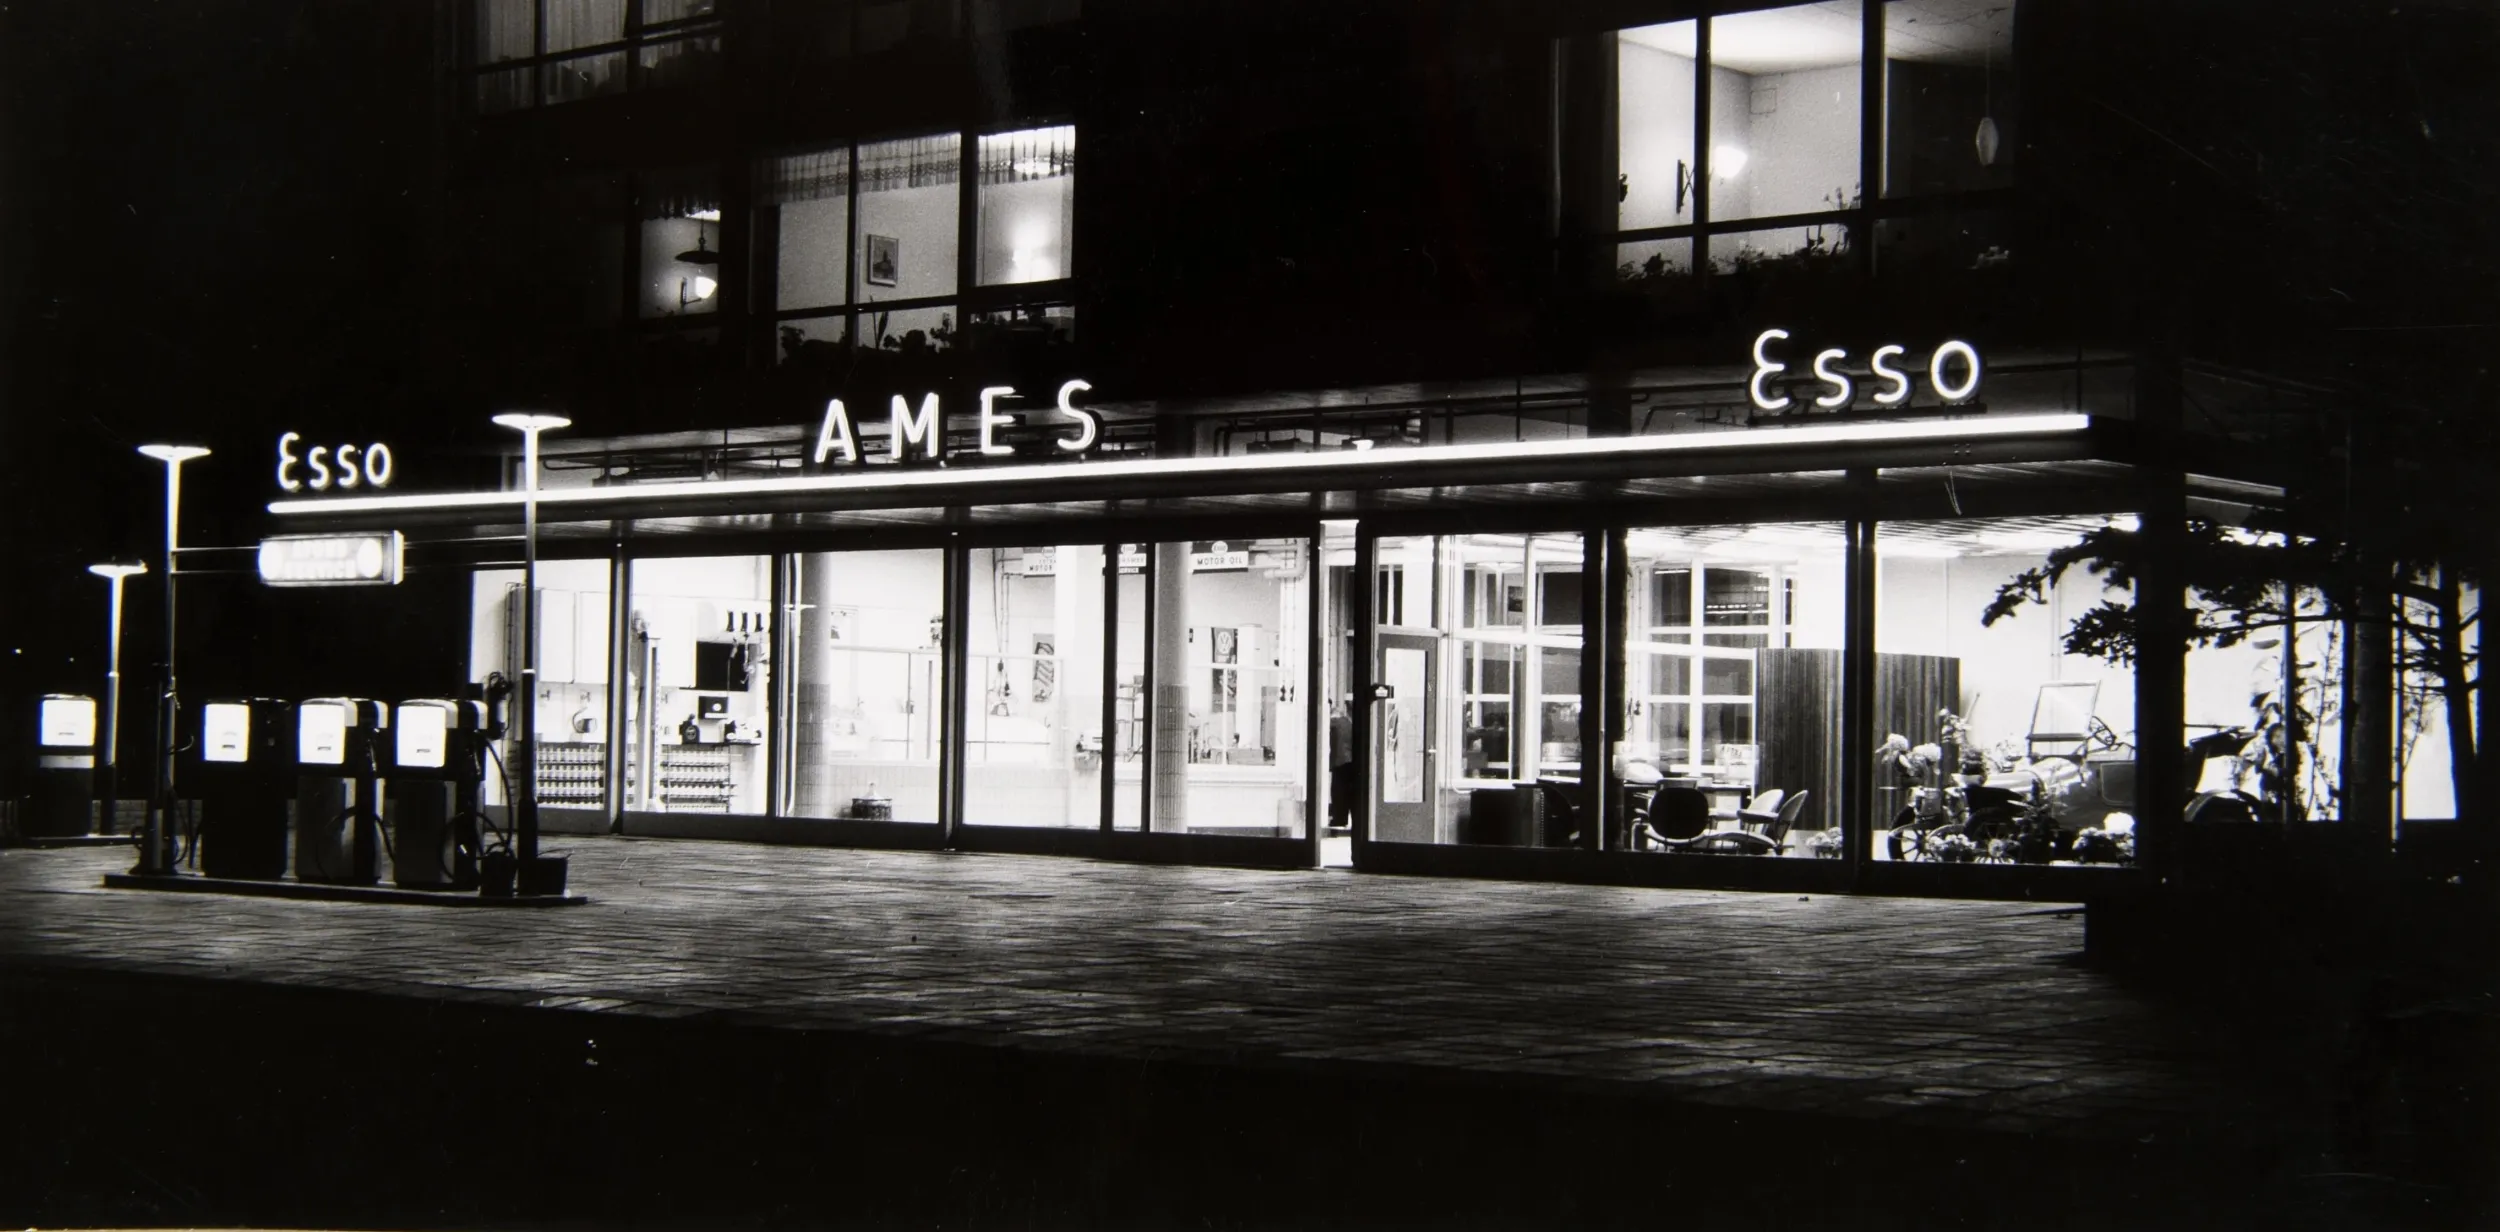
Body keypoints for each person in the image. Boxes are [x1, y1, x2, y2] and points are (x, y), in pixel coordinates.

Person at [1327, 699, 1355, 832]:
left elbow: (1324, 723)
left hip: (1340, 761)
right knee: (1348, 793)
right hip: (1350, 762)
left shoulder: (1338, 722)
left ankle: (1339, 818)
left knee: (1338, 791)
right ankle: (1344, 818)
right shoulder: (1351, 724)